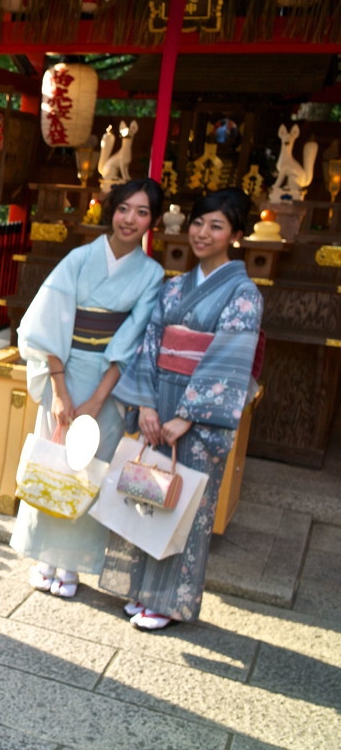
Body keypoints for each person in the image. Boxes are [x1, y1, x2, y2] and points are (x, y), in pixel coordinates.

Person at [101, 188, 263, 630]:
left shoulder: (244, 294)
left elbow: (229, 361)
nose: (202, 233)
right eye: (198, 222)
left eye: (216, 225)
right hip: (161, 401)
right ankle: (141, 589)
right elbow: (151, 344)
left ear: (236, 235)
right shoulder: (174, 287)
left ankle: (170, 600)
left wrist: (186, 416)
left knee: (186, 504)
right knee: (148, 495)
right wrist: (148, 406)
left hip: (198, 411)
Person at [10, 178, 165, 598]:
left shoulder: (151, 274)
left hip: (109, 383)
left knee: (91, 469)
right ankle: (45, 556)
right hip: (65, 368)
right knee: (55, 457)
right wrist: (61, 394)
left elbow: (132, 340)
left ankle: (74, 564)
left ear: (153, 221)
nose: (130, 219)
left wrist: (99, 399)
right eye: (124, 208)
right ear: (110, 211)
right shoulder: (79, 259)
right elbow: (48, 325)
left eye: (142, 212)